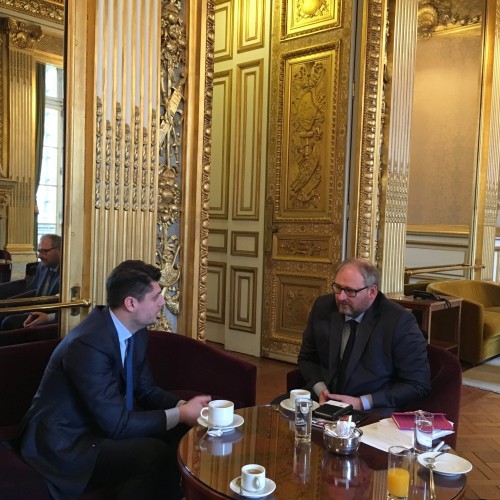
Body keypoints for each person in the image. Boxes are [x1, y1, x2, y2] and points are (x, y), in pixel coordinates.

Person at [20, 260, 211, 499]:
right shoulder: (88, 344)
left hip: (103, 421)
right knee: (152, 454)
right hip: (68, 439)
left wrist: (186, 408)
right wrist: (181, 414)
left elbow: (145, 389)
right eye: (156, 296)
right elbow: (118, 425)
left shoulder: (136, 330)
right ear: (131, 303)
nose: (162, 302)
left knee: (184, 433)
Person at [298, 258, 431, 416]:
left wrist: (361, 402)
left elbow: (417, 384)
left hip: (370, 411)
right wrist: (321, 389)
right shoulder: (323, 306)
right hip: (322, 401)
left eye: (350, 291)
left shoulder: (398, 321)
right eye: (338, 288)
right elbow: (307, 358)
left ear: (372, 292)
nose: (341, 297)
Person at [0, 233, 61, 330]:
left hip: (49, 318)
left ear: (60, 250)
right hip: (35, 308)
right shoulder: (42, 266)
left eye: (44, 251)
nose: (39, 256)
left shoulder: (68, 273)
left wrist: (49, 317)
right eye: (39, 251)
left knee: (8, 322)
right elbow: (33, 290)